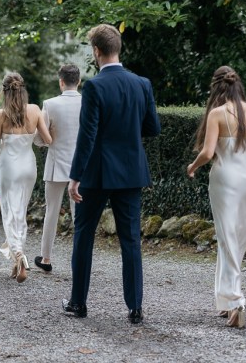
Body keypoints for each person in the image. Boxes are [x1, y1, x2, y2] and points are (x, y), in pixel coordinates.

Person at [63, 24, 161, 324]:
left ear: (96, 52)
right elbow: (153, 128)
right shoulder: (142, 84)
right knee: (131, 239)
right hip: (131, 172)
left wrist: (75, 175)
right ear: (118, 48)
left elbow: (88, 135)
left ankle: (78, 302)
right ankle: (135, 307)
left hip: (98, 173)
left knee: (83, 235)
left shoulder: (93, 87)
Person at [186, 66, 246, 328]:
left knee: (227, 237)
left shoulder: (217, 114)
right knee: (237, 239)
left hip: (225, 179)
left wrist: (192, 167)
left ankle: (236, 300)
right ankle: (225, 300)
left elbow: (207, 153)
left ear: (216, 88)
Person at [0, 73, 52, 283]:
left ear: (4, 91)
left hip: (8, 168)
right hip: (28, 166)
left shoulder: (0, 115)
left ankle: (19, 254)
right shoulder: (35, 110)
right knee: (20, 212)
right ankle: (16, 260)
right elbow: (47, 140)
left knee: (10, 213)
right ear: (23, 90)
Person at [33, 64, 82, 272]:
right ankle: (80, 260)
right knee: (79, 215)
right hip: (80, 166)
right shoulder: (88, 102)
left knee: (51, 212)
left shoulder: (50, 104)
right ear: (78, 81)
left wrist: (46, 140)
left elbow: (39, 139)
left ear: (61, 81)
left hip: (55, 165)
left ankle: (46, 259)